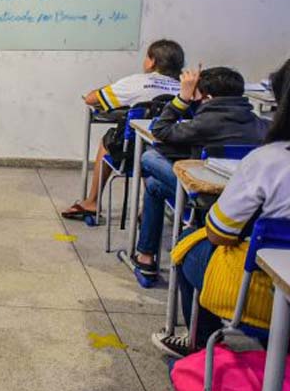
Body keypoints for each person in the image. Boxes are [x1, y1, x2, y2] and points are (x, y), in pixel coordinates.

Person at [151, 58, 290, 357]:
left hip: (262, 291)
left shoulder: (269, 159)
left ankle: (200, 341)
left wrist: (182, 100)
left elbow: (218, 235)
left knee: (186, 245)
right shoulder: (260, 128)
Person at [130, 66, 270, 277]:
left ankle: (146, 257)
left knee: (149, 158)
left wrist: (183, 98)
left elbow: (159, 130)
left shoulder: (204, 123)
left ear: (207, 97)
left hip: (204, 197)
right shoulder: (263, 126)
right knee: (154, 186)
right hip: (246, 204)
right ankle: (145, 255)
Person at [61, 39, 185, 220]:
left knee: (109, 139)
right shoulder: (186, 88)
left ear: (151, 61)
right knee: (151, 145)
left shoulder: (136, 82)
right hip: (175, 154)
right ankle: (148, 209)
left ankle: (92, 201)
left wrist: (110, 87)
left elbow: (91, 99)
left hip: (132, 153)